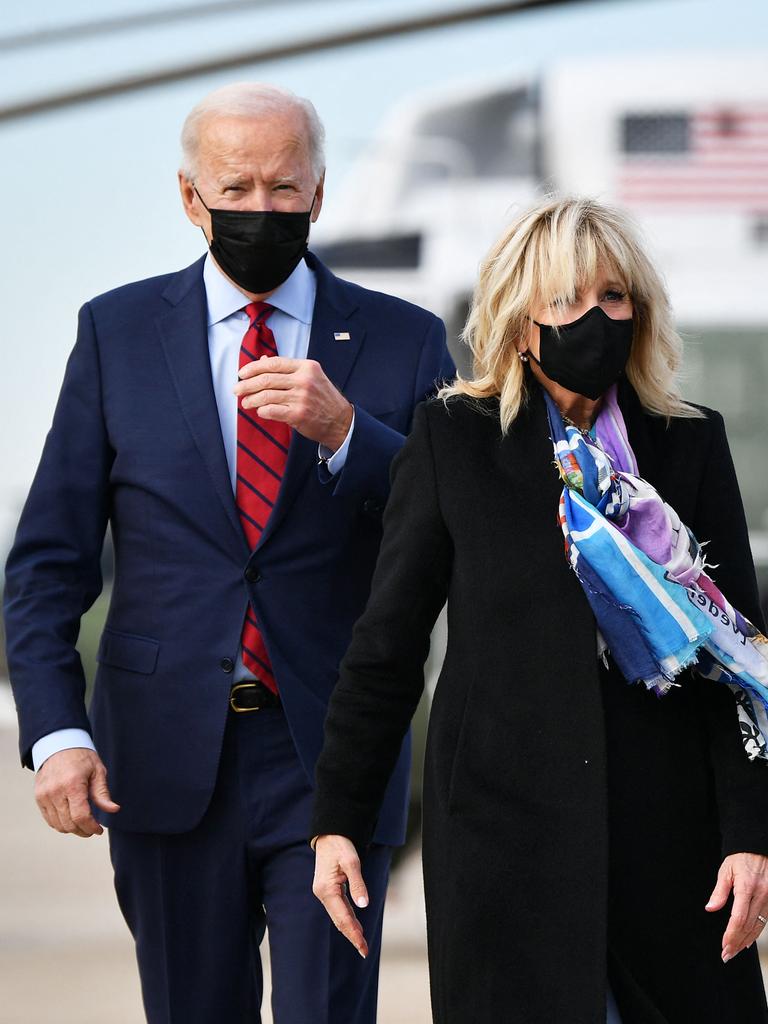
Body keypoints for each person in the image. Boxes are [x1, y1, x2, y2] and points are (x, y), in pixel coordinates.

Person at [3, 82, 453, 1024]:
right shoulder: (116, 335)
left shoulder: (406, 342)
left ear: (321, 193)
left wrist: (348, 434)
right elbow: (48, 562)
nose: (260, 208)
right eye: (236, 186)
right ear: (188, 196)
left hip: (335, 756)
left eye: (284, 188)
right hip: (162, 762)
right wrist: (56, 732)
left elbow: (458, 529)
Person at [310, 195, 768, 1023]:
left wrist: (751, 833)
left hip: (671, 848)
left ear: (641, 311)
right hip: (502, 843)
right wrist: (337, 818)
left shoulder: (690, 442)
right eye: (565, 300)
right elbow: (386, 650)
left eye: (613, 297)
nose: (594, 318)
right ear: (521, 324)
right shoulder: (453, 440)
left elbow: (742, 668)